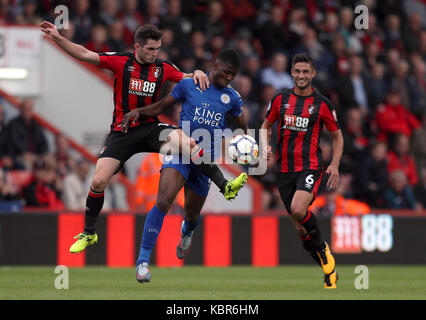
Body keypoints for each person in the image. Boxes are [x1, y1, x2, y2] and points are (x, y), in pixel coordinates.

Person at [40, 22, 246, 254]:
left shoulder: (163, 68)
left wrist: (197, 72)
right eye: (150, 49)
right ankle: (89, 234)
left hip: (150, 128)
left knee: (188, 143)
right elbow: (85, 54)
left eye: (158, 49)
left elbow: (189, 77)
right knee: (98, 181)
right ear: (137, 47)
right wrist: (58, 38)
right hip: (123, 132)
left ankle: (225, 186)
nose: (155, 53)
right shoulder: (122, 62)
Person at [121, 49, 248, 283]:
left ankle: (187, 230)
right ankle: (142, 262)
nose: (230, 78)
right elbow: (160, 106)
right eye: (228, 72)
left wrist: (249, 145)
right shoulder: (190, 85)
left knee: (191, 214)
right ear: (216, 64)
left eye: (234, 75)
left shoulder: (232, 98)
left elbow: (243, 128)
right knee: (163, 200)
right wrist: (139, 111)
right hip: (180, 152)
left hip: (205, 164)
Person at [260, 53, 344, 289]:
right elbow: (266, 126)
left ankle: (324, 251)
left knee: (299, 209)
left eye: (306, 71)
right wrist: (265, 144)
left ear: (313, 74)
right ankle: (329, 272)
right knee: (301, 228)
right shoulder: (279, 100)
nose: (301, 76)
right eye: (297, 71)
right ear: (292, 73)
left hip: (310, 167)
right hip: (283, 171)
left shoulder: (323, 104)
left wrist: (335, 164)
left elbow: (337, 137)